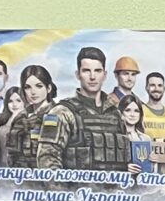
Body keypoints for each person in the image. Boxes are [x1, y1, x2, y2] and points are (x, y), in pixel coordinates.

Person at [30, 45, 132, 174]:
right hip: (76, 187)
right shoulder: (62, 112)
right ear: (78, 74)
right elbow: (47, 160)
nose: (92, 77)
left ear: (105, 75)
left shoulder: (116, 113)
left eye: (97, 71)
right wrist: (62, 187)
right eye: (86, 71)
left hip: (114, 187)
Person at [7, 64, 57, 170]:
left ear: (48, 88)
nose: (33, 92)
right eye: (27, 87)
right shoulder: (20, 117)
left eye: (39, 86)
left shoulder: (57, 114)